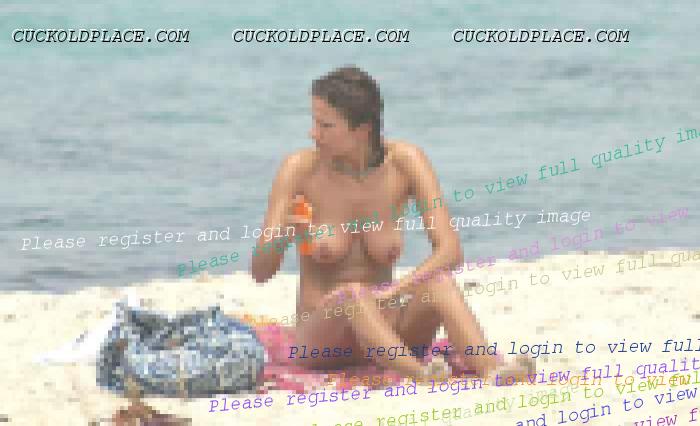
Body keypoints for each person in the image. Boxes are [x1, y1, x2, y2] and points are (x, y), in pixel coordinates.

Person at [250, 65, 531, 381]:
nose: (313, 134)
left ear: (362, 130)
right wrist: (283, 236)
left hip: (388, 328)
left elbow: (450, 252)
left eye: (325, 125)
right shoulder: (300, 169)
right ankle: (421, 375)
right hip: (323, 340)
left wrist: (396, 291)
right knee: (352, 295)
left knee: (439, 283)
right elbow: (260, 273)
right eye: (314, 122)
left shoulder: (405, 162)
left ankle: (493, 371)